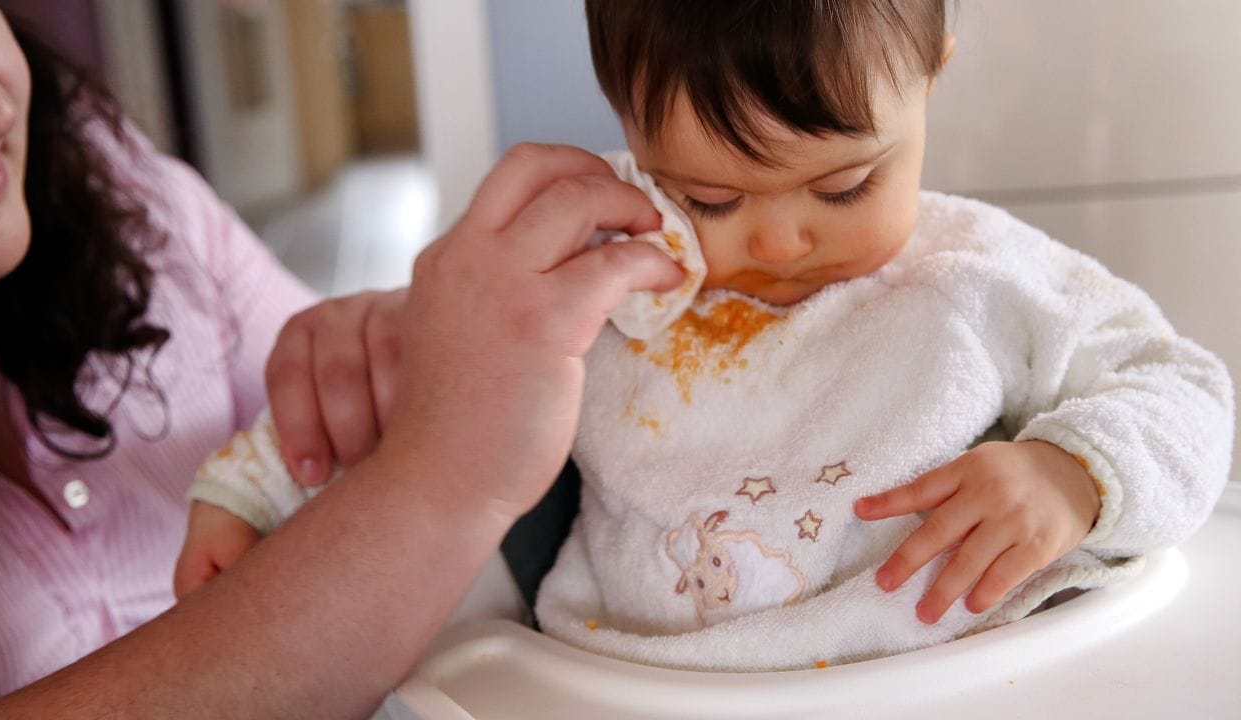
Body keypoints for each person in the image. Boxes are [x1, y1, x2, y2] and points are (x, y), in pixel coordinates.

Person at [179, 0, 1234, 673]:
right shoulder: (602, 265)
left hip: (942, 680)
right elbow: (420, 374)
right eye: (709, 197)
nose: (778, 237)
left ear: (929, 80)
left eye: (842, 183)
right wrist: (250, 494)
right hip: (618, 685)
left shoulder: (986, 275)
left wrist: (1068, 475)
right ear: (631, 132)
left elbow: (1180, 387)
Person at [0, 3, 680, 715]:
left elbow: (328, 411)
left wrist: (394, 356)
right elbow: (432, 461)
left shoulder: (126, 188)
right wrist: (438, 474)